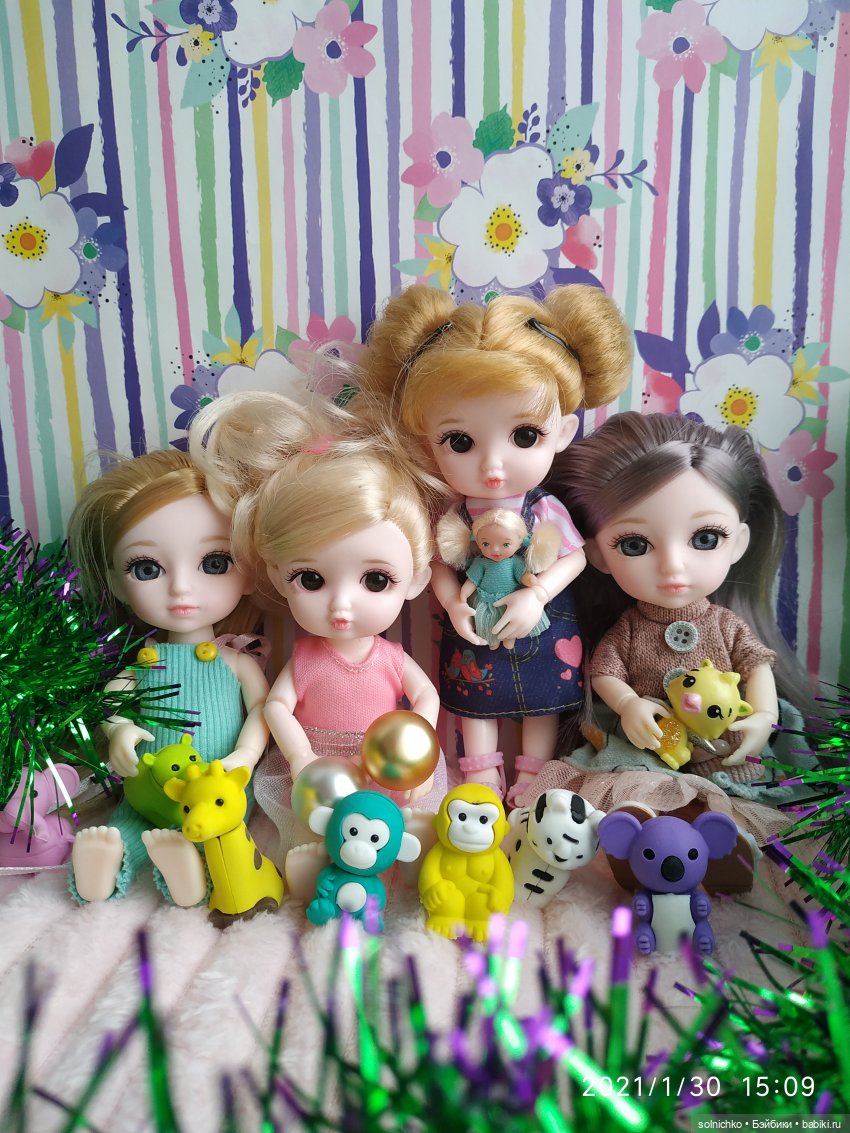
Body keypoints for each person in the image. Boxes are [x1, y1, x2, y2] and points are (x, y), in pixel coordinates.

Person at [354, 283, 633, 805]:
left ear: (563, 432)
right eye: (459, 441)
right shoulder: (454, 515)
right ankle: (479, 775)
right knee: (474, 700)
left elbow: (574, 557)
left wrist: (537, 595)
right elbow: (439, 564)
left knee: (544, 701)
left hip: (543, 624)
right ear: (427, 444)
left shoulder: (545, 509)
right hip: (474, 624)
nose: (493, 465)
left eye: (525, 435)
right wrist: (452, 603)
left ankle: (534, 779)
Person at [188, 391, 448, 889]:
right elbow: (276, 706)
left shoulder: (390, 657)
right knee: (308, 828)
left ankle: (398, 864)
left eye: (376, 580)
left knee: (394, 824)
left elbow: (426, 697)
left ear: (416, 579)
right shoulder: (306, 657)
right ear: (278, 576)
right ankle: (313, 865)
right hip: (315, 770)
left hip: (384, 766)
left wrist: (418, 751)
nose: (341, 605)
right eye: (311, 579)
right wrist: (301, 757)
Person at [67, 450, 269, 905]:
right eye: (147, 569)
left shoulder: (235, 663)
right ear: (116, 583)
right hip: (148, 787)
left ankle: (189, 871)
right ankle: (109, 860)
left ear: (249, 572)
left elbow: (263, 708)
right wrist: (118, 731)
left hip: (216, 787)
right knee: (127, 822)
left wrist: (247, 753)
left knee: (219, 827)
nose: (180, 588)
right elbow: (111, 702)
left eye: (214, 563)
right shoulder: (145, 663)